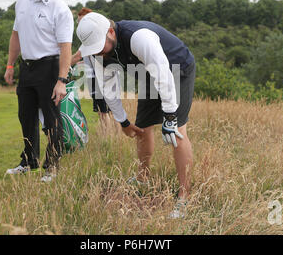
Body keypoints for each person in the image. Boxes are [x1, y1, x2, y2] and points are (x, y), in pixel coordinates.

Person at [76, 12, 196, 219]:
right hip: (148, 76)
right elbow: (108, 88)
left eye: (99, 47)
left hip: (177, 69)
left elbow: (164, 75)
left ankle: (184, 196)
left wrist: (169, 116)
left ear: (111, 32)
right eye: (93, 50)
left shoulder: (139, 37)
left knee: (176, 132)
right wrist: (123, 121)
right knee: (142, 128)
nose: (97, 53)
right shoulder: (96, 53)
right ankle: (143, 178)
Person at [4, 0, 73, 183]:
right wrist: (10, 64)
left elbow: (65, 48)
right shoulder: (22, 2)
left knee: (52, 120)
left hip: (50, 68)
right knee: (26, 116)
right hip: (28, 67)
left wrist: (61, 79)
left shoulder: (60, 8)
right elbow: (16, 35)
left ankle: (51, 166)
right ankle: (29, 161)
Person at [70, 8, 112, 129]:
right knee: (103, 110)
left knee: (103, 111)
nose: (80, 25)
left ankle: (107, 138)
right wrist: (84, 62)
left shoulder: (90, 39)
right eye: (78, 22)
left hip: (98, 77)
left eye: (82, 21)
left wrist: (60, 68)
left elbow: (76, 56)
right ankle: (112, 136)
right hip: (98, 76)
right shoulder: (93, 39)